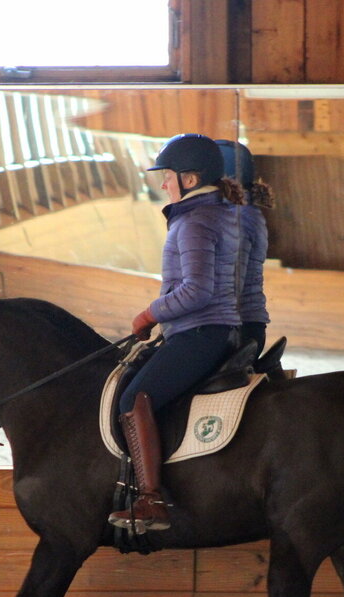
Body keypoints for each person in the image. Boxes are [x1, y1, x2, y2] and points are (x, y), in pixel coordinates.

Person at [108, 133, 245, 534]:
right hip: (209, 328)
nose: (162, 184)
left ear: (189, 179)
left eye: (167, 176)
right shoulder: (218, 214)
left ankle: (151, 499)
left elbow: (197, 291)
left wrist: (149, 314)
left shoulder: (194, 222)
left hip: (200, 331)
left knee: (136, 397)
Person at [215, 139, 275, 356]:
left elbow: (228, 285)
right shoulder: (241, 212)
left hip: (236, 328)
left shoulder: (235, 218)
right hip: (241, 323)